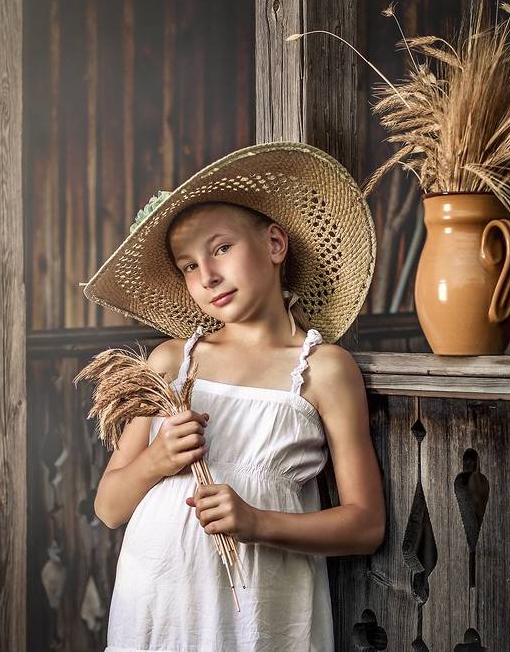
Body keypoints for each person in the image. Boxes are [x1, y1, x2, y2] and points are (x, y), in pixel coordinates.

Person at [80, 141, 385, 651]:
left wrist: (259, 522)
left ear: (274, 244)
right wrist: (157, 459)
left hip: (259, 611)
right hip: (157, 597)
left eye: (221, 248)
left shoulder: (323, 370)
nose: (208, 276)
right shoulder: (171, 364)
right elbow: (109, 508)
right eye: (188, 266)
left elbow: (366, 524)